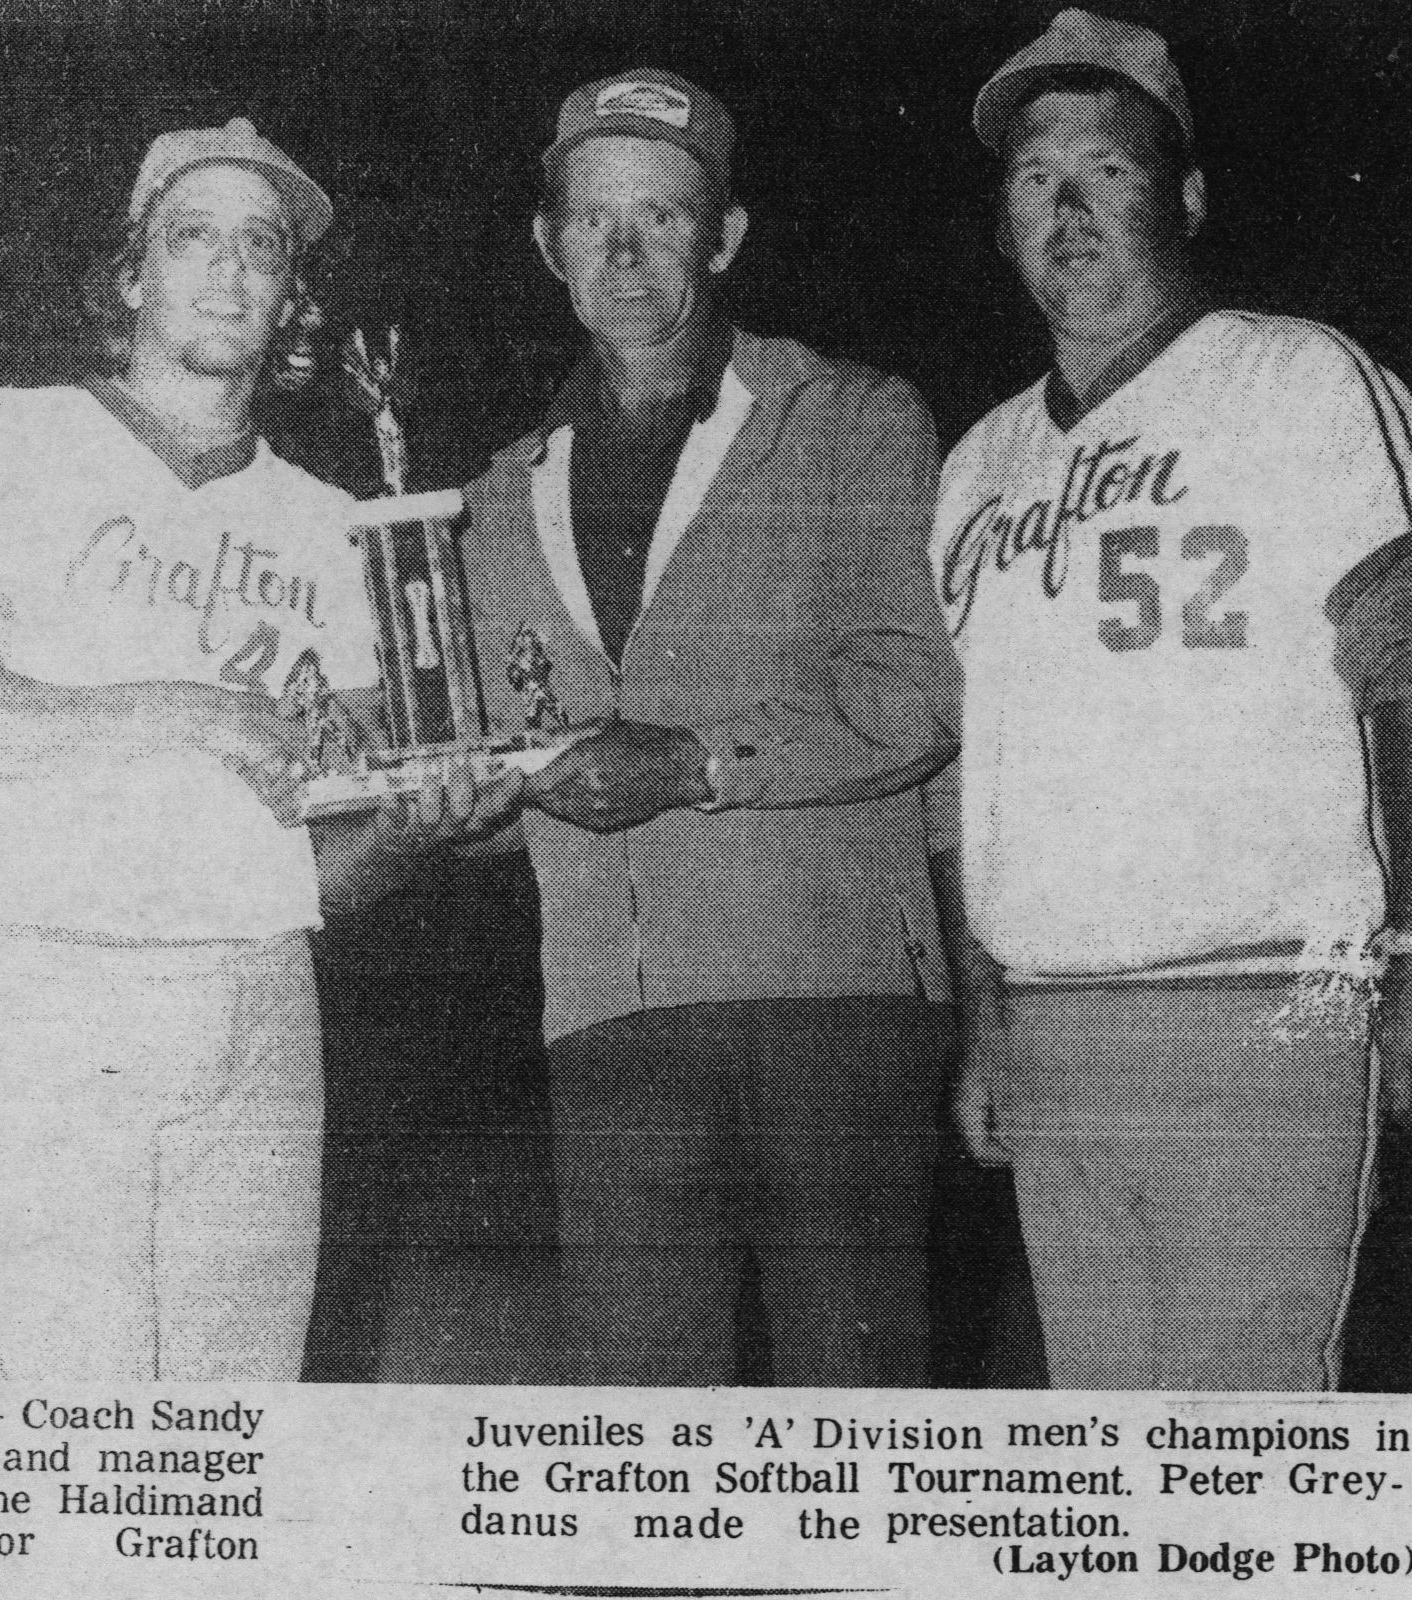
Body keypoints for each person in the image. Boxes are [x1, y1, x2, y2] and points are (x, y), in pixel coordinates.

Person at [0, 118, 514, 1381]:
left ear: (290, 300)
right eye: (191, 237)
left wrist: (409, 824)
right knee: (82, 1437)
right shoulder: (4, 439)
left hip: (262, 996)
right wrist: (188, 708)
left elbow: (322, 870)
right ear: (130, 274)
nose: (226, 273)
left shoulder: (334, 525)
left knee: (241, 1438)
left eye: (259, 248)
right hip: (50, 985)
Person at [935, 8, 1412, 1389]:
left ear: (1189, 195)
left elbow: (1409, 666)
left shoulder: (1297, 378)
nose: (1069, 209)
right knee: (1107, 1457)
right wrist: (985, 1016)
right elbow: (973, 766)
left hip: (1265, 1008)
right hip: (1055, 1018)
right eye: (1034, 180)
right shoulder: (979, 465)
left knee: (1245, 1450)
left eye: (1110, 170)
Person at [456, 69, 961, 1386]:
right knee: (643, 1437)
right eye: (593, 220)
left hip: (833, 1002)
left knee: (857, 1430)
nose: (623, 253)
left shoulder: (851, 418)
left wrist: (694, 764)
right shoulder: (496, 496)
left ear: (724, 236)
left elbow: (913, 693)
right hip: (614, 1016)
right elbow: (490, 759)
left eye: (664, 218)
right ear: (548, 243)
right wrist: (442, 805)